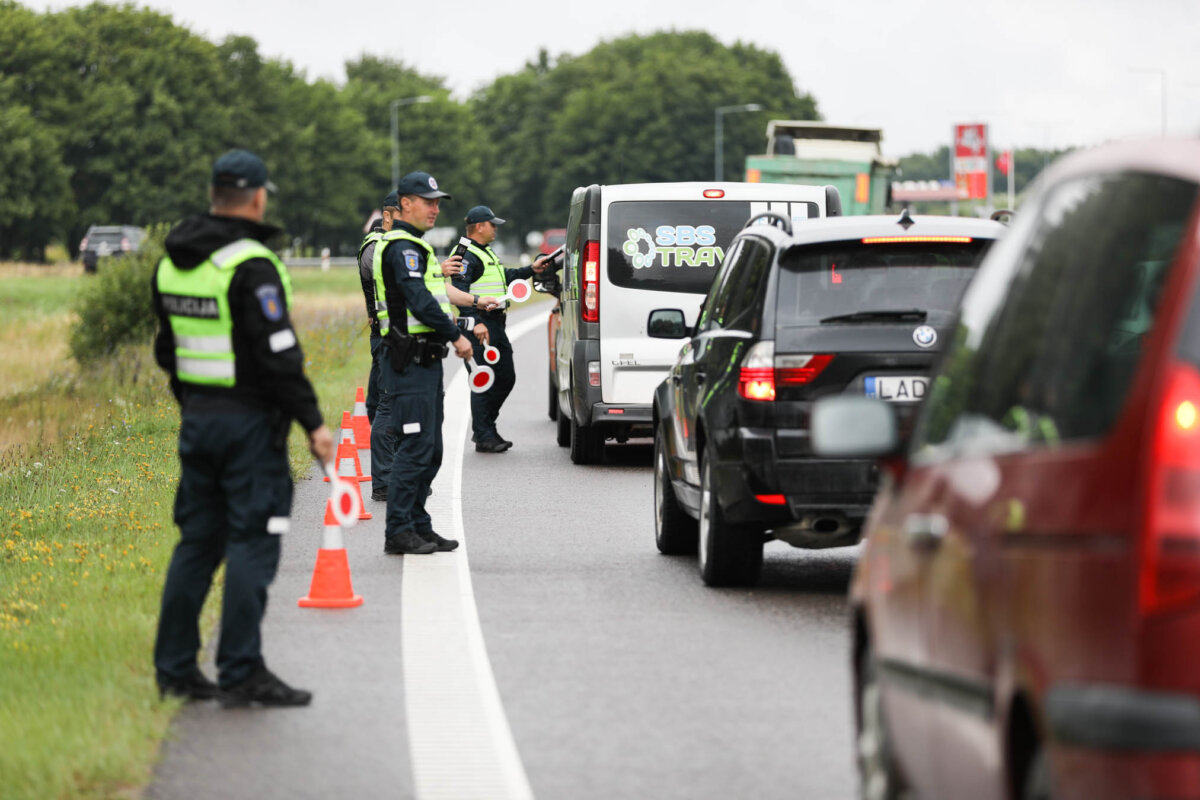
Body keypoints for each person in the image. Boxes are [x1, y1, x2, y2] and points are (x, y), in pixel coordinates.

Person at [151, 149, 335, 707]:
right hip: (250, 428)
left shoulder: (173, 261)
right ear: (257, 197)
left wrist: (195, 403)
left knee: (198, 544)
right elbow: (279, 353)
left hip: (200, 419)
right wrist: (313, 424)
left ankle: (176, 670)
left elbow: (168, 350)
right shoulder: (251, 263)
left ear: (214, 194)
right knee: (253, 543)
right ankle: (240, 670)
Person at [373, 171, 493, 554]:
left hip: (424, 360)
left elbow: (435, 303)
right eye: (428, 201)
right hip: (407, 360)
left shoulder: (416, 247)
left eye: (438, 202)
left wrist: (464, 325)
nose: (435, 208)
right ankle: (398, 531)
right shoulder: (401, 247)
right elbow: (418, 301)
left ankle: (419, 524)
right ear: (405, 203)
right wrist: (456, 336)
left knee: (431, 448)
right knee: (414, 446)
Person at [450, 206, 548, 452]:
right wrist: (476, 321)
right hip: (479, 324)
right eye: (492, 224)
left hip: (495, 323)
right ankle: (484, 435)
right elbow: (460, 292)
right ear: (480, 226)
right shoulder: (464, 254)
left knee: (505, 376)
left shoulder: (485, 252)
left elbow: (505, 275)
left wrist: (530, 271)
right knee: (484, 379)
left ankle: (486, 428)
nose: (495, 228)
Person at [358, 196, 397, 502]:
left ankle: (388, 472)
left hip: (385, 333)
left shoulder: (385, 243)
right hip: (387, 334)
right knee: (387, 405)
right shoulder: (376, 246)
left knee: (377, 403)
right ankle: (384, 481)